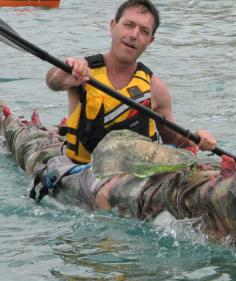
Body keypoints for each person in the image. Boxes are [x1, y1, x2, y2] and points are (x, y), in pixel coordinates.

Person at [46, 0, 216, 164]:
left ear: (150, 41)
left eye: (144, 31)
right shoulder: (82, 71)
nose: (134, 35)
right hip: (84, 169)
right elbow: (53, 82)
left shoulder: (155, 88)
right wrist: (66, 70)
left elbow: (175, 140)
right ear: (113, 26)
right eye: (129, 25)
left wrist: (199, 139)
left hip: (135, 175)